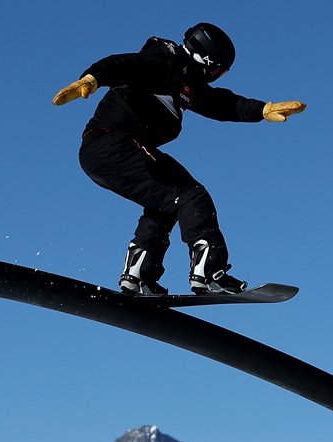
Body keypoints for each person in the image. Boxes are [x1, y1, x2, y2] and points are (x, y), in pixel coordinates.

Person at [53, 22, 305, 296]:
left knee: (166, 204)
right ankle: (210, 274)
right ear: (207, 59)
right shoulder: (166, 61)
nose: (216, 76)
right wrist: (94, 77)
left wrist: (263, 110)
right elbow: (125, 64)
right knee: (191, 196)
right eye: (218, 70)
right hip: (115, 144)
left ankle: (139, 277)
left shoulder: (187, 84)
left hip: (108, 149)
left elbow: (222, 104)